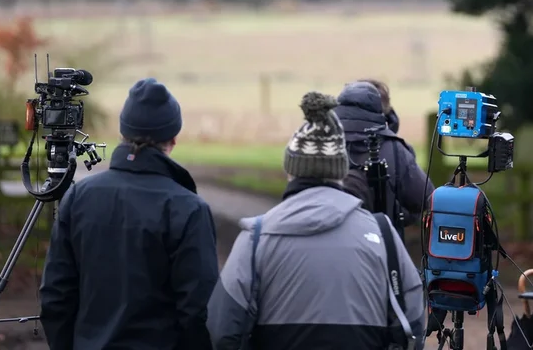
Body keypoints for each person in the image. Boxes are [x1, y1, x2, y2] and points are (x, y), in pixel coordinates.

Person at [206, 91, 425, 350]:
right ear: (341, 171)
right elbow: (412, 325)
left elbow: (222, 331)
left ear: (290, 171)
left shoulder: (256, 238)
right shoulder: (383, 235)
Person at [39, 78, 219, 350]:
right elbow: (198, 311)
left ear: (123, 132)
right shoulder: (187, 208)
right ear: (172, 138)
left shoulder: (78, 198)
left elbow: (56, 296)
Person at [334, 79, 433, 228]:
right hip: (380, 239)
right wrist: (396, 215)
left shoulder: (321, 143)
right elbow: (425, 198)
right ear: (383, 112)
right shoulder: (394, 148)